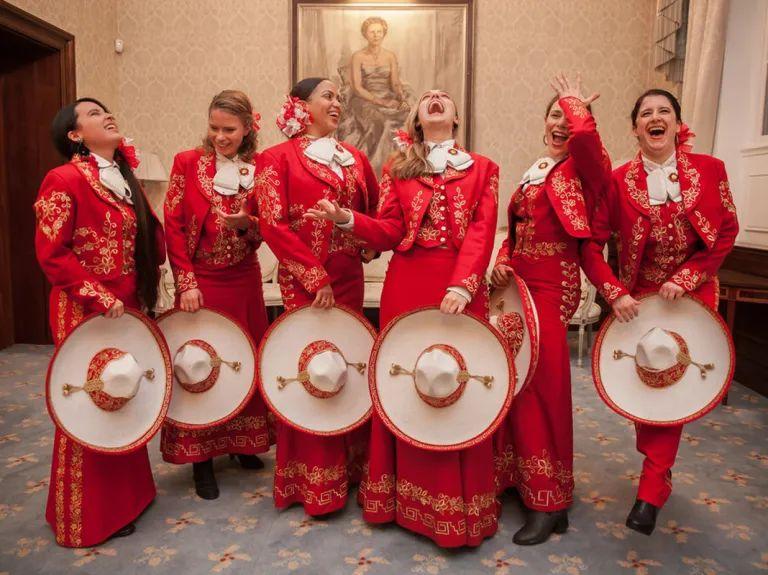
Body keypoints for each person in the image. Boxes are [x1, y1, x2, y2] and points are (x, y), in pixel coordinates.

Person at [308, 88, 500, 547]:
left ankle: (455, 505)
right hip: (407, 284)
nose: (435, 98)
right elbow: (391, 230)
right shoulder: (398, 168)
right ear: (416, 118)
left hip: (458, 286)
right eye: (427, 97)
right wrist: (347, 220)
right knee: (402, 383)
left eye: (445, 97)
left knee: (456, 380)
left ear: (455, 117)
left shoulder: (485, 169)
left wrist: (462, 284)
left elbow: (481, 230)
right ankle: (397, 500)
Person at [580, 88, 739, 535]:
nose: (655, 118)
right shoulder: (616, 181)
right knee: (643, 390)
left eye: (663, 111)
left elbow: (726, 230)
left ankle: (651, 490)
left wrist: (687, 279)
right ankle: (659, 470)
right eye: (646, 113)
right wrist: (613, 291)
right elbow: (592, 244)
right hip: (638, 300)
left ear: (676, 123)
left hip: (692, 298)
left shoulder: (710, 170)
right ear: (635, 129)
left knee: (673, 386)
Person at [35, 97, 164, 546]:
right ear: (74, 136)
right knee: (88, 400)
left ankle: (129, 497)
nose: (105, 114)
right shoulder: (63, 178)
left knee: (123, 390)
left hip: (124, 303)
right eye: (91, 113)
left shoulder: (124, 179)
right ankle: (85, 516)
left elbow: (150, 242)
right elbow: (53, 253)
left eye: (106, 110)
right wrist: (96, 293)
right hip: (83, 305)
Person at [491, 74, 609, 545]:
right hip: (517, 286)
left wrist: (577, 104)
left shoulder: (585, 169)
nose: (562, 123)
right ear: (544, 123)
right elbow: (515, 231)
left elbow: (586, 142)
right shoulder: (535, 169)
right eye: (555, 114)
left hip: (551, 286)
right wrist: (500, 263)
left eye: (570, 116)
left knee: (544, 388)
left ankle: (550, 501)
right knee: (514, 383)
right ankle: (519, 481)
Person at [254, 77, 379, 516]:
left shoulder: (356, 158)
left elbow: (372, 215)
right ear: (300, 106)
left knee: (350, 366)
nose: (337, 102)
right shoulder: (274, 158)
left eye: (339, 97)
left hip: (349, 279)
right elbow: (272, 224)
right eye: (328, 95)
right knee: (312, 367)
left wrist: (367, 244)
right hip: (305, 282)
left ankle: (353, 472)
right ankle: (311, 482)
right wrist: (313, 275)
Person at [161, 90, 272, 500]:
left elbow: (268, 230)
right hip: (201, 282)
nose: (221, 136)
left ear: (247, 129)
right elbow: (172, 224)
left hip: (243, 278)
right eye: (214, 128)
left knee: (243, 362)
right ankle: (202, 459)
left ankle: (241, 444)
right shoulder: (187, 163)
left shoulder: (261, 168)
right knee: (200, 365)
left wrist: (248, 224)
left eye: (229, 129)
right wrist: (185, 281)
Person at [337, 16, 411, 169]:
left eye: (379, 32)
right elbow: (357, 87)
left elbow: (395, 83)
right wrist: (381, 102)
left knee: (407, 119)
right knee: (381, 122)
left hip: (388, 97)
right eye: (372, 32)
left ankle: (397, 168)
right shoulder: (358, 56)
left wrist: (401, 99)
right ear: (365, 34)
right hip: (364, 99)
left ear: (384, 33)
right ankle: (373, 168)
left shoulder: (390, 56)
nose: (376, 35)